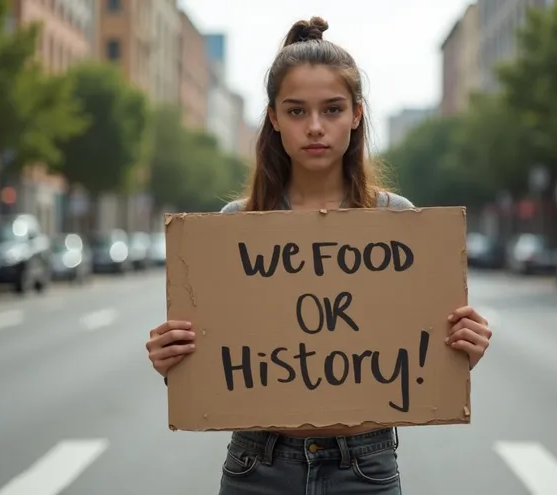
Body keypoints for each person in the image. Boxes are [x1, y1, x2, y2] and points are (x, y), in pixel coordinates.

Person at [145, 16, 493, 495]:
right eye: (295, 111)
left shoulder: (400, 223)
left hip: (364, 466)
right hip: (258, 465)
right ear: (272, 117)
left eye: (332, 110)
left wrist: (460, 349)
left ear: (357, 113)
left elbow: (416, 352)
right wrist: (176, 360)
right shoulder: (233, 226)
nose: (314, 128)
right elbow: (216, 361)